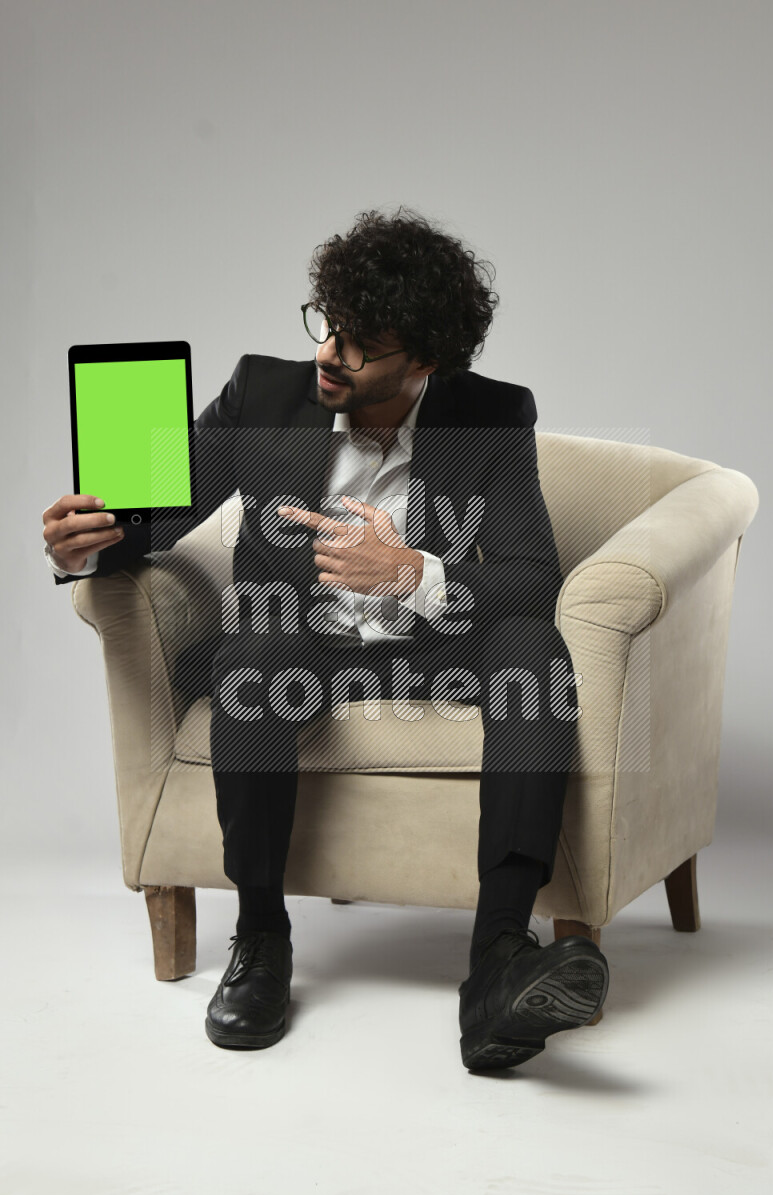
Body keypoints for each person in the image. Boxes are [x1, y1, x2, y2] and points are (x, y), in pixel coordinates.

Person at [42, 208, 608, 1071]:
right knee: (258, 654)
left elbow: (535, 575)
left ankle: (498, 965)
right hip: (296, 649)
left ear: (423, 359)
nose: (328, 354)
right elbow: (157, 515)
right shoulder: (264, 394)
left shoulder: (493, 414)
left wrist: (409, 573)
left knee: (535, 647)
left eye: (359, 344)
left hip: (429, 652)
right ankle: (262, 938)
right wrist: (92, 540)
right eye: (326, 325)